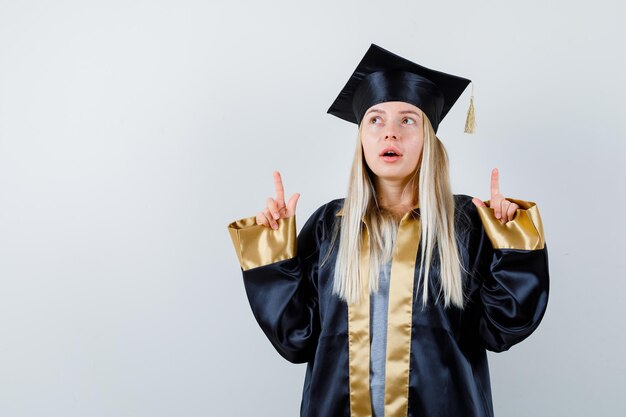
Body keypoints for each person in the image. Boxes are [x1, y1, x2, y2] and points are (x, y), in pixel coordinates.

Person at [227, 43, 549, 417]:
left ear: (429, 136)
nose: (390, 134)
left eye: (407, 120)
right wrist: (273, 252)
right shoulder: (330, 227)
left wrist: (513, 245)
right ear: (361, 137)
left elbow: (501, 329)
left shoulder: (465, 224)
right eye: (375, 120)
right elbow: (296, 340)